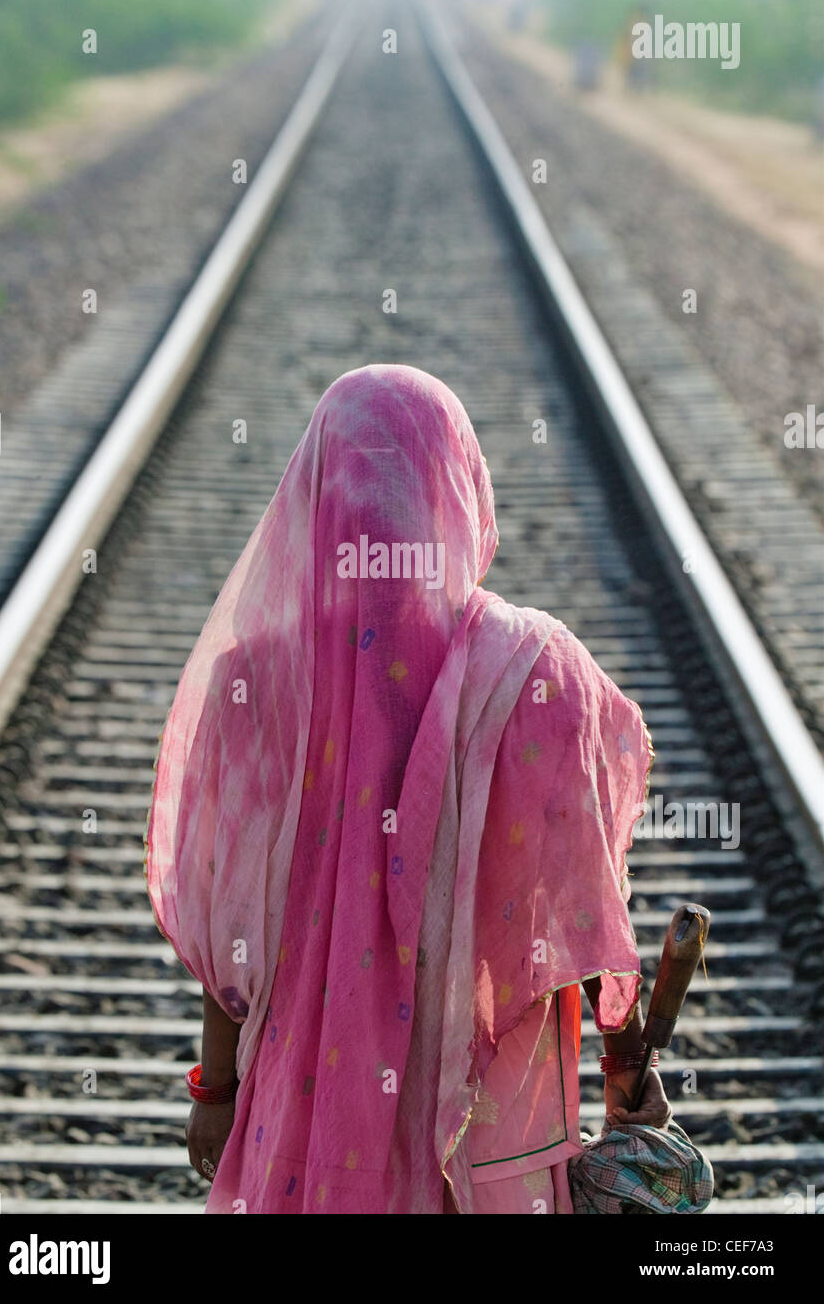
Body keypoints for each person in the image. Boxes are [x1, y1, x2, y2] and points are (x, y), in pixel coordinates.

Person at [144, 363, 668, 1215]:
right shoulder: (537, 676)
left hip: (305, 1108)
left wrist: (216, 1089)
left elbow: (229, 916)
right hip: (489, 1123)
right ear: (454, 488)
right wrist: (624, 1065)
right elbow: (583, 903)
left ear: (318, 495)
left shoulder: (256, 686)